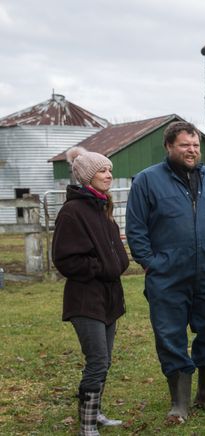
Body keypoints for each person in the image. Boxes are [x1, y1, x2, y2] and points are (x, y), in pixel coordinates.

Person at [125, 121, 205, 420]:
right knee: (170, 335)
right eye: (185, 145)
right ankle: (180, 401)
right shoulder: (147, 181)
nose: (192, 151)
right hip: (168, 275)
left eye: (196, 145)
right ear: (169, 146)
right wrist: (152, 263)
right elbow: (136, 229)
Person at [52, 146, 129, 436]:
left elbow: (114, 249)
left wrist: (118, 262)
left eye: (110, 170)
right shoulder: (72, 212)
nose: (109, 175)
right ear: (86, 176)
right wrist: (101, 268)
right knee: (97, 360)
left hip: (109, 298)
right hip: (85, 299)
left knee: (105, 360)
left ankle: (95, 414)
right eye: (102, 171)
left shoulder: (102, 206)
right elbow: (64, 258)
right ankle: (86, 425)